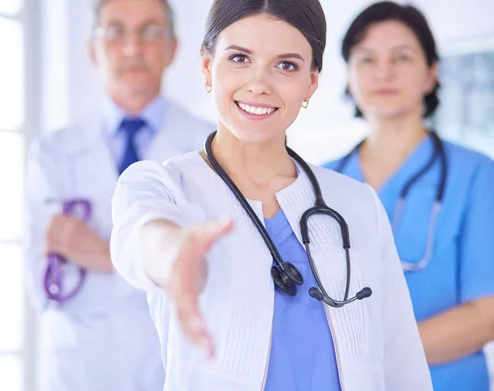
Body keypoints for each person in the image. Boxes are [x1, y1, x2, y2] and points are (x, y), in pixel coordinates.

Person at [109, 0, 434, 390]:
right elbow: (142, 236)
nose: (259, 83)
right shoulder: (163, 185)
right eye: (240, 58)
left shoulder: (357, 205)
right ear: (207, 66)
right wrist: (175, 253)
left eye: (286, 65)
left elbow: (402, 363)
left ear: (311, 82)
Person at [24, 0, 213, 390]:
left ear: (173, 48)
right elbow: (40, 281)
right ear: (92, 50)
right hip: (80, 370)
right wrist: (160, 265)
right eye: (115, 33)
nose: (132, 48)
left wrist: (98, 252)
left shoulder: (209, 149)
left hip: (175, 369)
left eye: (150, 32)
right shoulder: (53, 153)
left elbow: (215, 275)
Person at [323, 2, 494, 390]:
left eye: (402, 57)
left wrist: (369, 355)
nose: (383, 72)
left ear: (431, 74)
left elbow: (487, 312)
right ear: (348, 76)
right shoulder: (319, 182)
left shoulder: (476, 175)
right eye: (366, 60)